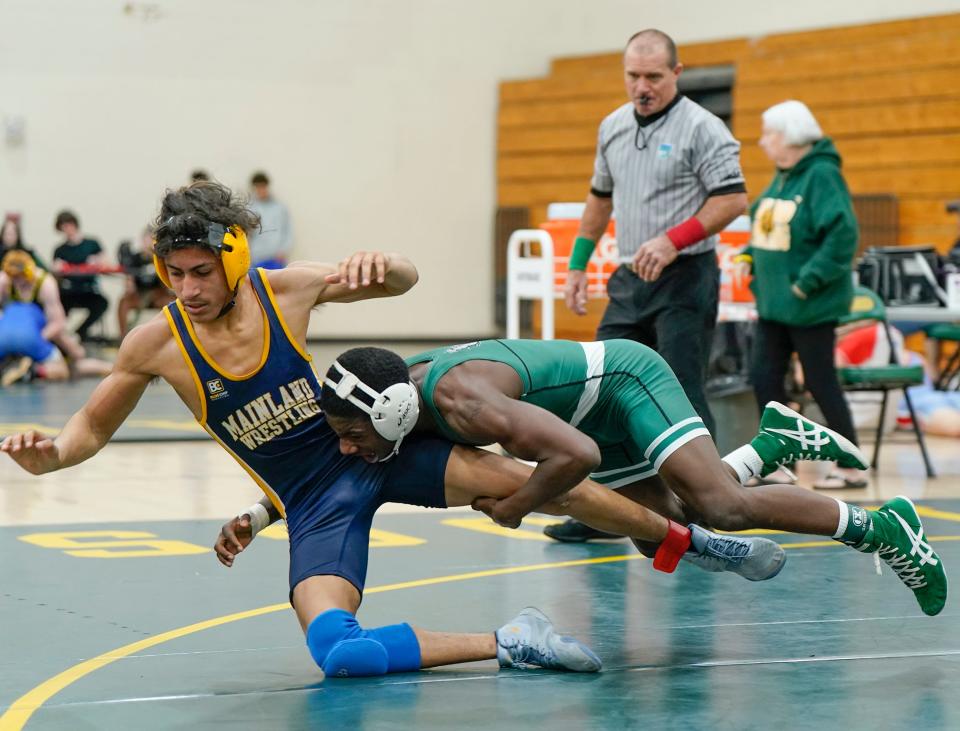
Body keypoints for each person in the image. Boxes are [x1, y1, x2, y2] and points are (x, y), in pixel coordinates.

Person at [1, 181, 695, 679]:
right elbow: (87, 431)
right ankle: (516, 639)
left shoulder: (286, 290)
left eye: (202, 272)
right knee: (341, 653)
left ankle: (690, 538)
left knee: (544, 483)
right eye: (174, 274)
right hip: (310, 504)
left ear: (235, 259)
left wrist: (384, 267)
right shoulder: (155, 344)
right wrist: (51, 455)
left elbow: (404, 279)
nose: (187, 289)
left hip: (373, 450)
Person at [256, 339, 946, 617]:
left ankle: (885, 528)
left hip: (625, 383)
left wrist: (520, 505)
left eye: (352, 436)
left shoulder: (463, 399)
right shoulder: (399, 402)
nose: (347, 450)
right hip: (593, 411)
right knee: (666, 534)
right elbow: (321, 461)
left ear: (395, 411)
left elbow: (577, 455)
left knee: (723, 508)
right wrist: (261, 513)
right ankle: (772, 442)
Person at [553, 29, 748, 542]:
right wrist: (577, 265)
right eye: (633, 76)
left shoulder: (703, 128)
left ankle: (706, 506)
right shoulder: (613, 127)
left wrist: (671, 241)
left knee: (681, 389)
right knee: (599, 391)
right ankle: (608, 509)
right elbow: (599, 200)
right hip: (629, 278)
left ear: (676, 75)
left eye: (654, 77)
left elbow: (733, 200)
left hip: (685, 275)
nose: (643, 87)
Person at [733, 100, 864, 490]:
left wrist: (807, 281)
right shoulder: (783, 177)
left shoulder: (822, 175)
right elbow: (765, 226)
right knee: (763, 378)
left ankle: (851, 464)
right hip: (775, 305)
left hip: (809, 305)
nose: (762, 142)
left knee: (820, 383)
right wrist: (747, 255)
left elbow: (843, 236)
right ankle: (775, 463)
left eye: (769, 134)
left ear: (789, 137)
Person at [0, 250, 112, 385]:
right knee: (66, 367)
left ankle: (113, 369)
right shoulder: (4, 280)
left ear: (29, 271)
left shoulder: (45, 283)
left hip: (45, 331)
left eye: (20, 277)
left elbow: (58, 323)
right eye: (14, 278)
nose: (17, 282)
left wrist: (37, 339)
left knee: (77, 356)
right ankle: (31, 370)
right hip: (18, 335)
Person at [51, 210, 109, 341]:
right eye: (63, 227)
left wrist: (98, 261)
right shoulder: (60, 250)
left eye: (68, 225)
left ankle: (80, 332)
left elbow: (106, 263)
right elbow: (55, 272)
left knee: (102, 303)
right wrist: (57, 269)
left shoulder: (92, 244)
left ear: (75, 224)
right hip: (68, 291)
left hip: (88, 289)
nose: (67, 229)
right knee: (57, 304)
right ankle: (60, 337)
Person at [117, 227, 175, 339]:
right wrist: (129, 283)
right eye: (146, 239)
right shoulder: (135, 258)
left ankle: (171, 336)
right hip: (139, 294)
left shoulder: (160, 258)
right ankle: (123, 337)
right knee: (123, 303)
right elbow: (129, 279)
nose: (148, 242)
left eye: (151, 239)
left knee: (173, 303)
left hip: (158, 294)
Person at [246, 171, 293, 269]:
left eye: (263, 187)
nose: (261, 190)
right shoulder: (250, 209)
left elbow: (287, 230)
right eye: (257, 187)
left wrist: (283, 251)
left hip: (276, 257)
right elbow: (247, 234)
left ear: (267, 187)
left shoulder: (280, 208)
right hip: (256, 258)